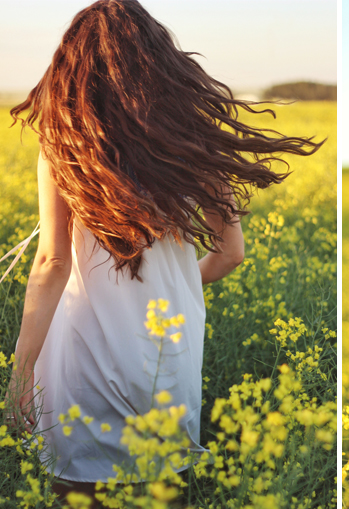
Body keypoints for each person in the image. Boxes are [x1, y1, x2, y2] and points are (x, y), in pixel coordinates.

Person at [5, 0, 320, 500]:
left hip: (83, 353)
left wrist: (20, 368)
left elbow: (52, 261)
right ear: (158, 62)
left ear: (74, 66)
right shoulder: (194, 144)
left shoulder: (67, 143)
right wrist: (171, 288)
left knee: (78, 487)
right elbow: (231, 254)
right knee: (160, 486)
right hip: (165, 352)